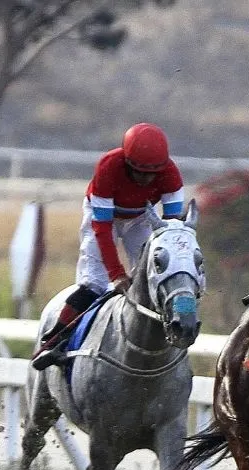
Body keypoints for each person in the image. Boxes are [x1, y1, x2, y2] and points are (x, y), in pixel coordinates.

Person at [31, 123, 185, 370]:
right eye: (139, 172)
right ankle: (55, 340)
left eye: (152, 174)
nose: (146, 180)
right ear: (126, 162)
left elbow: (172, 232)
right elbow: (102, 229)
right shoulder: (108, 166)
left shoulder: (171, 174)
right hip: (104, 217)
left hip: (141, 218)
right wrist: (116, 274)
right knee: (95, 283)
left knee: (156, 277)